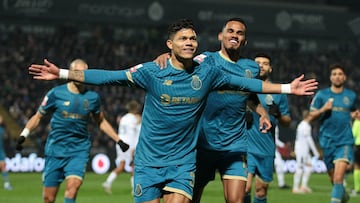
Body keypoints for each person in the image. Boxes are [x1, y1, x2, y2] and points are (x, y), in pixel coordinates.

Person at [28, 19, 317, 203]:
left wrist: (289, 89)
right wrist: (63, 73)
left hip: (183, 163)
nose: (190, 42)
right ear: (170, 45)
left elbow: (245, 83)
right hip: (149, 161)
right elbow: (109, 76)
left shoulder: (209, 73)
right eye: (183, 39)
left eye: (193, 38)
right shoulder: (153, 71)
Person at [154, 18, 272, 203]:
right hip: (203, 143)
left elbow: (249, 95)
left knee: (236, 200)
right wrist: (166, 57)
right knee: (192, 198)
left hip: (234, 145)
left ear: (245, 41)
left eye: (239, 33)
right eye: (230, 31)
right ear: (221, 36)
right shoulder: (205, 60)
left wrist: (262, 113)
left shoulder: (251, 68)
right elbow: (181, 62)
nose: (234, 35)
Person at [16, 59, 129, 203]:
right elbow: (38, 116)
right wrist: (24, 134)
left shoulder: (92, 98)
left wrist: (118, 139)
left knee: (73, 187)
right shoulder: (56, 93)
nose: (80, 75)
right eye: (77, 72)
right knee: (48, 198)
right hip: (55, 150)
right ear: (70, 71)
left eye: (83, 72)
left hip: (79, 150)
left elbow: (100, 121)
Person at [245, 53, 293, 203]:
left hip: (266, 147)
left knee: (260, 191)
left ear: (270, 69)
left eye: (265, 63)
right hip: (244, 146)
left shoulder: (278, 93)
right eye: (257, 62)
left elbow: (287, 121)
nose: (261, 65)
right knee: (244, 188)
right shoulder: (244, 87)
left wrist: (277, 113)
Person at [309, 64, 360, 203]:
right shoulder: (322, 95)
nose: (337, 76)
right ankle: (342, 196)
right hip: (326, 141)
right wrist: (323, 109)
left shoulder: (351, 95)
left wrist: (356, 114)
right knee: (333, 179)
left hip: (344, 141)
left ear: (344, 77)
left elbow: (354, 111)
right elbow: (310, 115)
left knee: (338, 178)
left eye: (340, 74)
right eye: (334, 74)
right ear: (331, 77)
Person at [102, 100, 142, 194]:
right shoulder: (135, 119)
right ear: (136, 109)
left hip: (120, 143)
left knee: (122, 165)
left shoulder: (123, 117)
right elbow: (134, 134)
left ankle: (108, 182)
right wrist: (134, 148)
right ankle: (134, 189)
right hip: (129, 144)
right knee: (133, 166)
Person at [292, 110, 320, 194]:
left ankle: (303, 186)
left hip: (304, 149)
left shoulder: (302, 125)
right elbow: (309, 139)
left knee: (309, 166)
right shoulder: (305, 126)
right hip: (301, 150)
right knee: (300, 168)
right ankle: (295, 188)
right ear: (308, 116)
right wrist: (315, 152)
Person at [0, 115, 12, 191]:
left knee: (3, 166)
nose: (1, 119)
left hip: (1, 151)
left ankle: (7, 184)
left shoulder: (2, 130)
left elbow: (7, 139)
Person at [352, 118, 360, 196]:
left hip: (358, 146)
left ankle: (357, 188)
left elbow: (353, 135)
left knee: (357, 167)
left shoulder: (357, 122)